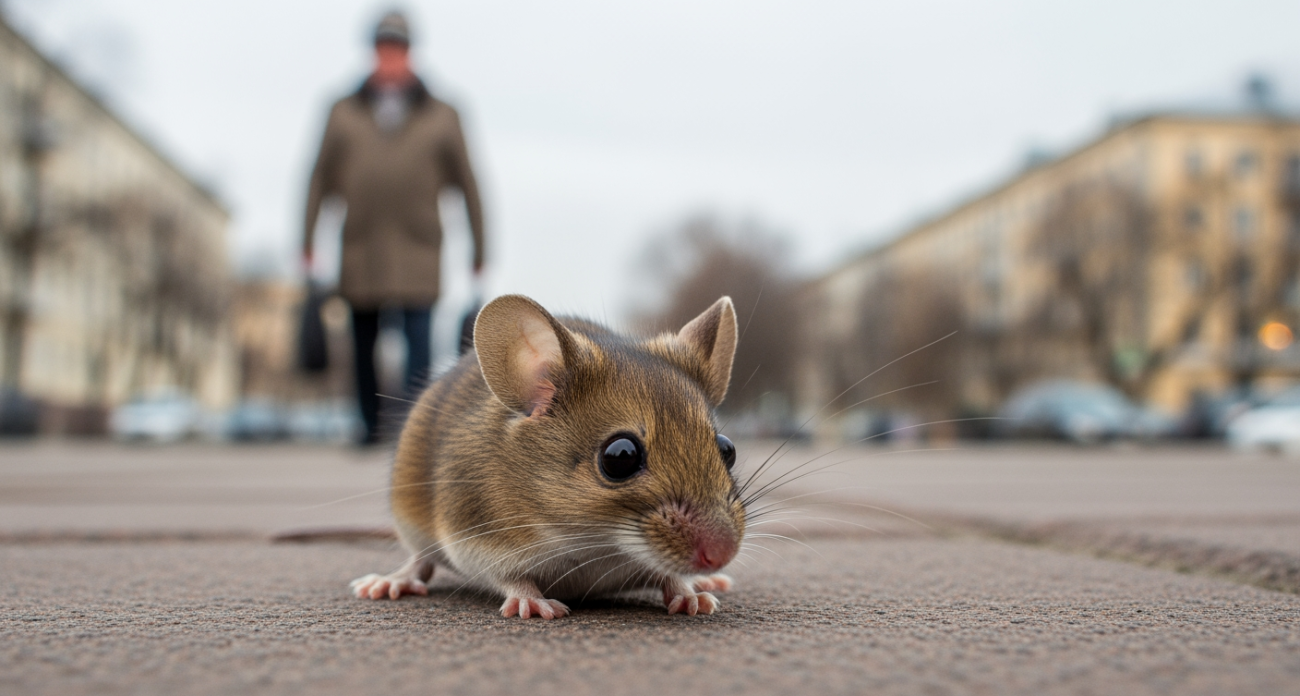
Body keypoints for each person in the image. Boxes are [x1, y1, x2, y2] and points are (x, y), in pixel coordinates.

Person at [303, 11, 485, 445]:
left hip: (418, 248)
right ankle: (369, 425)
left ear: (409, 52)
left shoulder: (443, 113)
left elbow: (469, 183)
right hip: (361, 246)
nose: (389, 57)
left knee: (418, 342)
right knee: (362, 341)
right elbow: (318, 178)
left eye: (397, 48)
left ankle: (412, 429)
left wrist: (481, 249)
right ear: (373, 52)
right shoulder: (343, 110)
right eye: (383, 47)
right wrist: (307, 241)